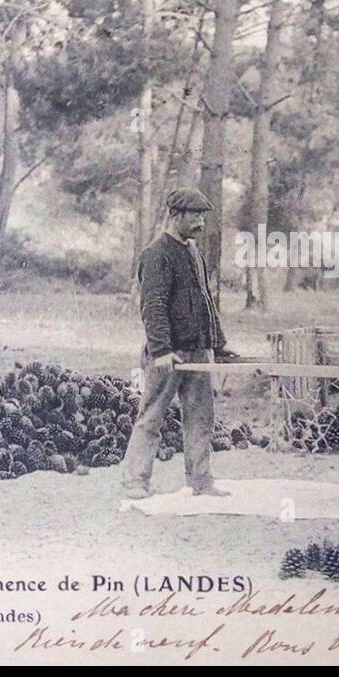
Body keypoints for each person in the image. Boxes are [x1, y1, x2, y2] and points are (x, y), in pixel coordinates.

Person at [122, 187, 235, 500]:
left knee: (201, 418)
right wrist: (161, 350)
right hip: (168, 354)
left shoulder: (194, 254)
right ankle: (135, 481)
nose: (201, 222)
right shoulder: (156, 254)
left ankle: (201, 481)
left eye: (203, 216)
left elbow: (205, 303)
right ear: (175, 215)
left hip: (198, 350)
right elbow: (153, 306)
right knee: (152, 417)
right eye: (195, 215)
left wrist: (218, 344)